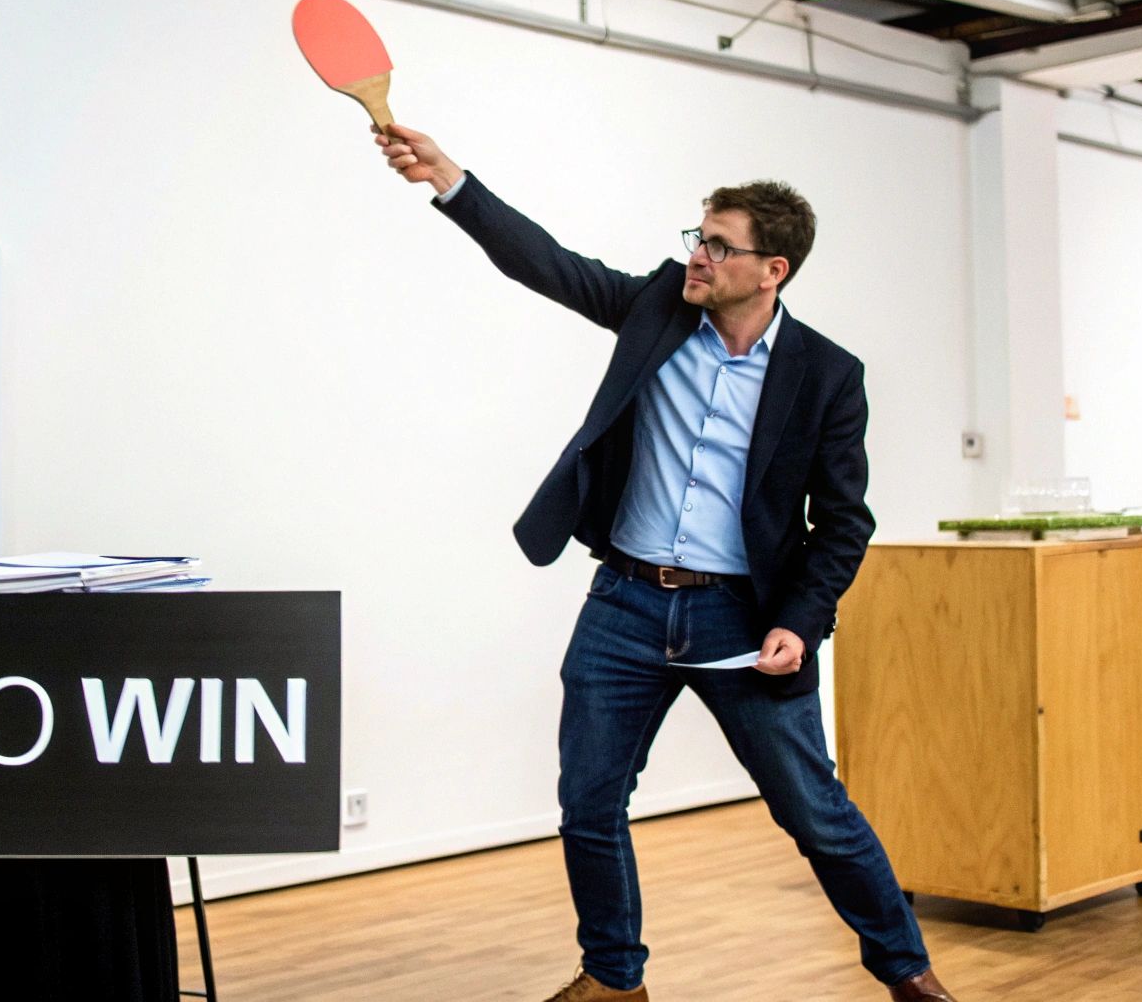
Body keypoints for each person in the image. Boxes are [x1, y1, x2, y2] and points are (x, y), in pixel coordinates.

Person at [371, 123, 957, 1002]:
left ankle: (908, 975)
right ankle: (615, 981)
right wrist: (448, 179)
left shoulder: (828, 375)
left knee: (816, 815)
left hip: (741, 621)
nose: (698, 256)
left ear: (773, 270)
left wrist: (801, 622)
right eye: (698, 237)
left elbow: (843, 522)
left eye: (720, 246)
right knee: (589, 804)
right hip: (626, 604)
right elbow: (549, 264)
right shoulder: (657, 308)